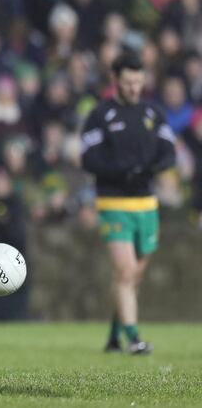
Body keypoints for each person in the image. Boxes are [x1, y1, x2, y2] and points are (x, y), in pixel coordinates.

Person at [80, 52, 176, 354]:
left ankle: (113, 336)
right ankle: (134, 339)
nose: (134, 88)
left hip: (146, 203)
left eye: (138, 81)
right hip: (114, 201)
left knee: (134, 274)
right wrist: (122, 171)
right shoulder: (100, 115)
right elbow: (89, 158)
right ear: (115, 81)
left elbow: (169, 151)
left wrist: (149, 169)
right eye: (128, 82)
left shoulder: (153, 113)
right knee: (124, 271)